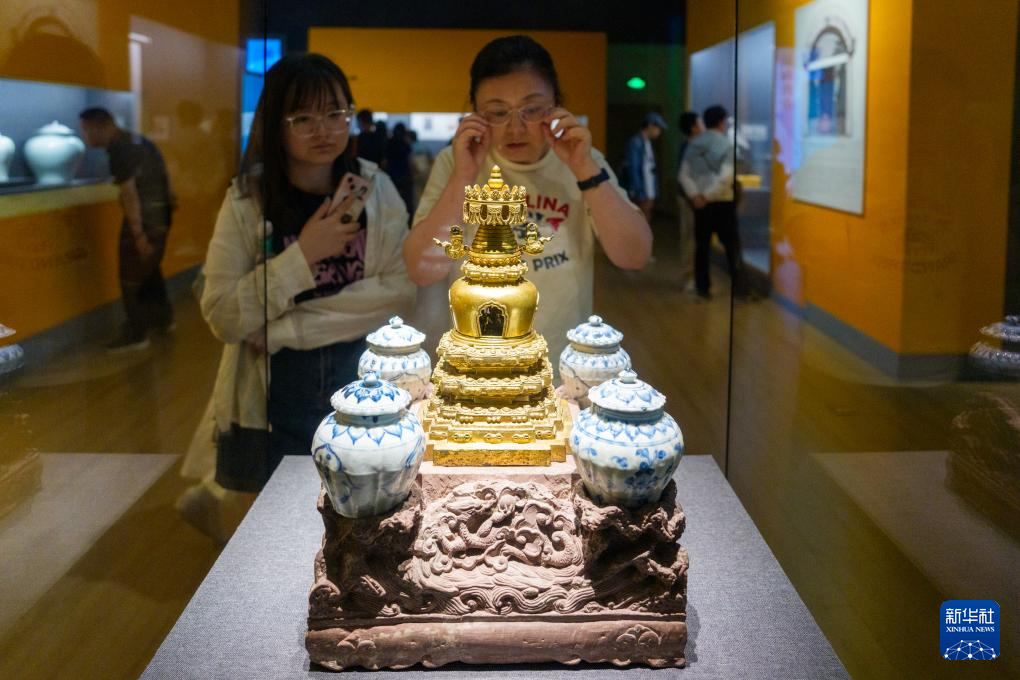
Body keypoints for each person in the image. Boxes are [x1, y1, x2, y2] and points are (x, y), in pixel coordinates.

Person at [200, 53, 414, 492]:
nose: (324, 130)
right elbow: (223, 315)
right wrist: (304, 256)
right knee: (282, 509)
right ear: (275, 125)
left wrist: (282, 329)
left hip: (365, 375)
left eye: (336, 114)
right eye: (303, 118)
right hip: (278, 390)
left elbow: (397, 292)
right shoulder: (247, 198)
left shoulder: (375, 188)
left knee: (369, 503)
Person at [404, 35, 652, 364]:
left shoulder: (583, 160)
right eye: (497, 112)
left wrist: (584, 170)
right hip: (477, 365)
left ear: (556, 105)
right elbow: (421, 270)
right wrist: (464, 176)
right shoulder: (456, 162)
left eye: (532, 110)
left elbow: (634, 256)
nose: (515, 128)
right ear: (476, 113)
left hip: (562, 365)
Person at [80, 107, 174, 351]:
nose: (84, 136)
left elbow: (130, 194)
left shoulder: (120, 149)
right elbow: (167, 180)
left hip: (145, 220)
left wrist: (138, 234)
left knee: (131, 277)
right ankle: (163, 319)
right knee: (149, 269)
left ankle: (137, 333)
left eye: (86, 130)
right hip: (160, 216)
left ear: (99, 127)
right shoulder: (137, 140)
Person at [679, 104, 746, 300]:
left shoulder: (694, 144)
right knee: (732, 247)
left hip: (701, 205)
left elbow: (683, 175)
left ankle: (703, 288)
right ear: (721, 122)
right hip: (722, 203)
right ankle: (740, 288)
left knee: (701, 248)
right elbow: (726, 177)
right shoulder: (727, 145)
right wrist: (709, 195)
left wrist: (696, 196)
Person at [622, 112, 668, 222]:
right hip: (641, 189)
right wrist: (637, 190)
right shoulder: (636, 142)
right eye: (658, 128)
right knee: (638, 218)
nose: (659, 132)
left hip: (647, 188)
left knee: (646, 216)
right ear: (650, 126)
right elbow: (633, 168)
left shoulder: (647, 143)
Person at [676, 111, 702, 291]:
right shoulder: (689, 147)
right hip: (688, 199)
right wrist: (693, 196)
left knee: (694, 238)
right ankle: (689, 276)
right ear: (693, 127)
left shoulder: (694, 145)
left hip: (694, 198)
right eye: (699, 123)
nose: (702, 126)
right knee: (689, 238)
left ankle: (695, 276)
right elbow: (684, 176)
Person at [385, 122, 414, 214]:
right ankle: (409, 218)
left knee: (392, 200)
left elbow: (385, 161)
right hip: (405, 175)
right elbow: (409, 160)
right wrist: (412, 174)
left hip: (392, 175)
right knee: (407, 201)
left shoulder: (389, 142)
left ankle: (394, 216)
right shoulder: (405, 143)